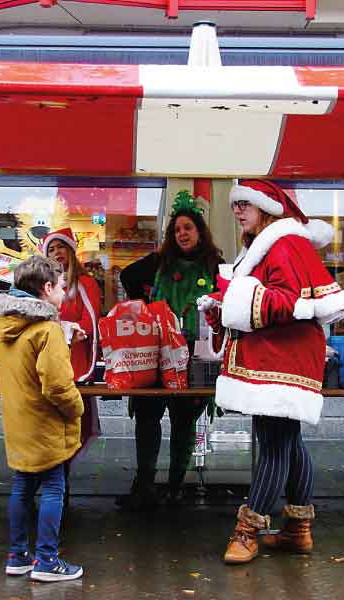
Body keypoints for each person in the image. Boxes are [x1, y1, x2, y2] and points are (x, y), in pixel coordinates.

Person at [197, 179, 344, 565]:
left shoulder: (284, 243)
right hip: (280, 357)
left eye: (245, 203)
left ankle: (248, 531)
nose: (237, 210)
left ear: (267, 207)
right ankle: (298, 529)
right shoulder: (271, 244)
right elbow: (269, 297)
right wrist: (223, 303)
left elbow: (289, 301)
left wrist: (233, 298)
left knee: (273, 443)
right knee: (288, 442)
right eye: (235, 204)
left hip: (281, 360)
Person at [118, 191, 223, 509]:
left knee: (184, 421)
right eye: (177, 229)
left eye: (188, 228)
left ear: (199, 231)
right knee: (147, 417)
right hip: (157, 353)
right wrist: (143, 306)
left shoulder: (214, 265)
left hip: (195, 355)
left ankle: (176, 485)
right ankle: (145, 485)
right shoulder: (159, 262)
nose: (182, 234)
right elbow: (127, 275)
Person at [0, 255, 84, 582]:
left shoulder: (7, 325)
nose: (64, 292)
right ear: (46, 288)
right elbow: (56, 385)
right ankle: (47, 560)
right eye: (61, 286)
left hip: (19, 423)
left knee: (23, 486)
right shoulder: (47, 330)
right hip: (45, 425)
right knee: (54, 487)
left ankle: (17, 555)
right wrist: (77, 407)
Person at [41, 228, 101, 507]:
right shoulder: (43, 286)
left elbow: (91, 322)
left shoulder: (85, 284)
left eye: (61, 248)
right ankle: (54, 488)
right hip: (47, 367)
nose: (57, 253)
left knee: (72, 429)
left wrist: (64, 332)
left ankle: (59, 488)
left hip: (75, 367)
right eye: (52, 249)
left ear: (71, 252)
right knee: (50, 430)